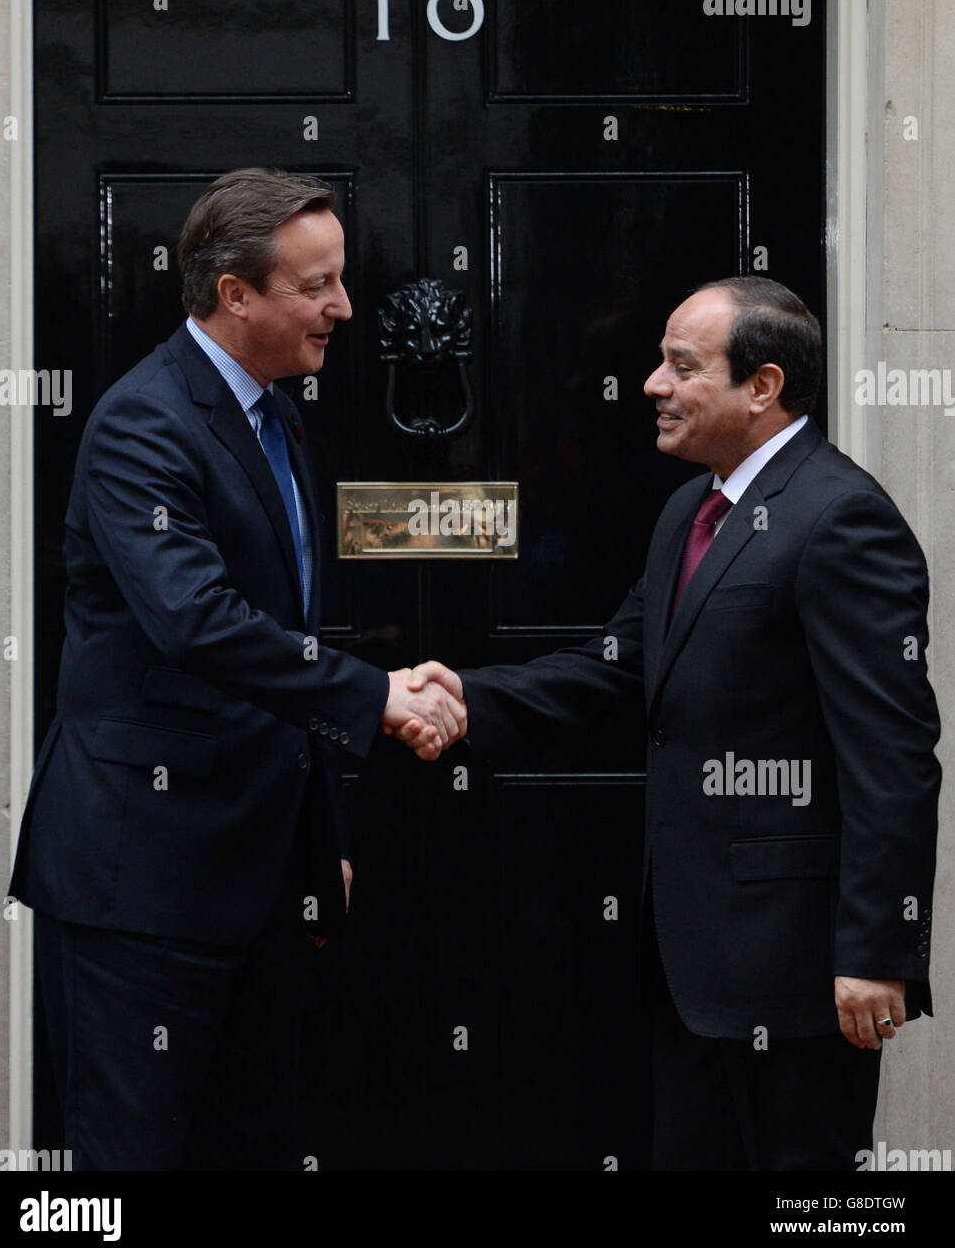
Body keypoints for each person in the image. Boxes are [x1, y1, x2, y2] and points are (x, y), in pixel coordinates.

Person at [398, 277, 941, 1171]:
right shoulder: (690, 510)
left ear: (761, 386)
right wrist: (465, 698)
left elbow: (894, 756)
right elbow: (616, 667)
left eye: (680, 366)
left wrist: (877, 951)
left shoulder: (840, 518)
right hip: (691, 960)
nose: (651, 383)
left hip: (796, 965)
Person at [9, 167, 464, 1170]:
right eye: (318, 285)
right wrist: (378, 695)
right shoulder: (144, 425)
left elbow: (277, 638)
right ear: (235, 294)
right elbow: (199, 624)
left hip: (258, 878)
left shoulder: (277, 413)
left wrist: (315, 842)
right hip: (145, 883)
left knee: (249, 1144)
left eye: (339, 280)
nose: (344, 306)